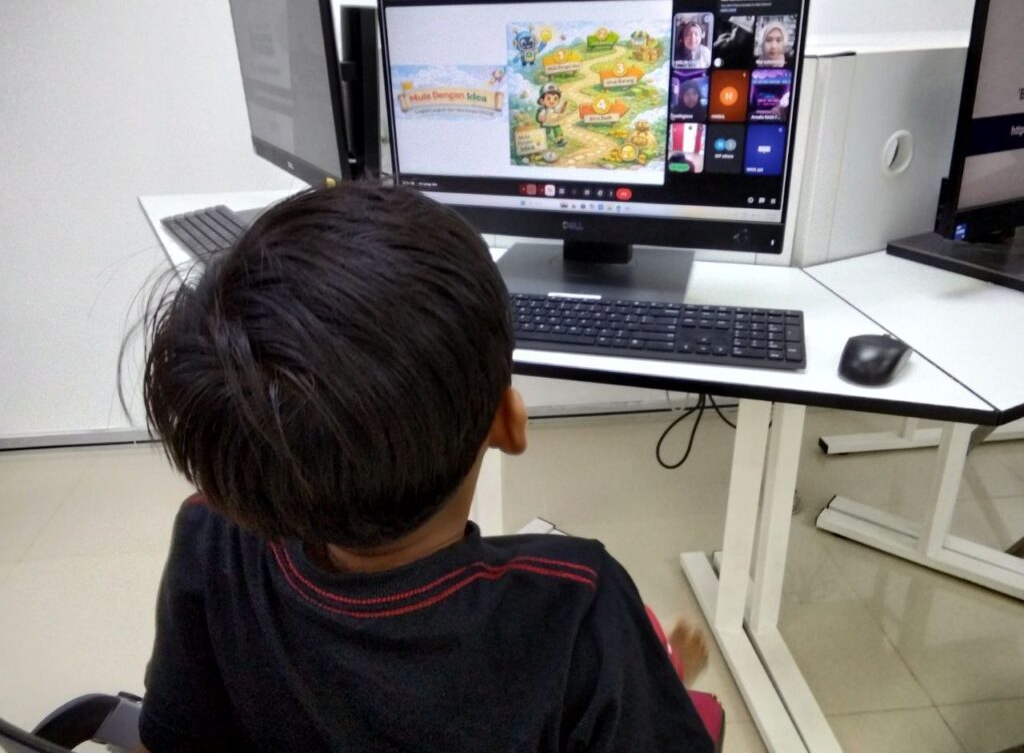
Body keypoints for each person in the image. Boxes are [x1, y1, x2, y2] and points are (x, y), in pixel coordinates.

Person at [132, 183, 719, 752]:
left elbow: (173, 737)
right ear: (508, 423)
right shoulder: (574, 603)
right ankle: (662, 670)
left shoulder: (212, 538)